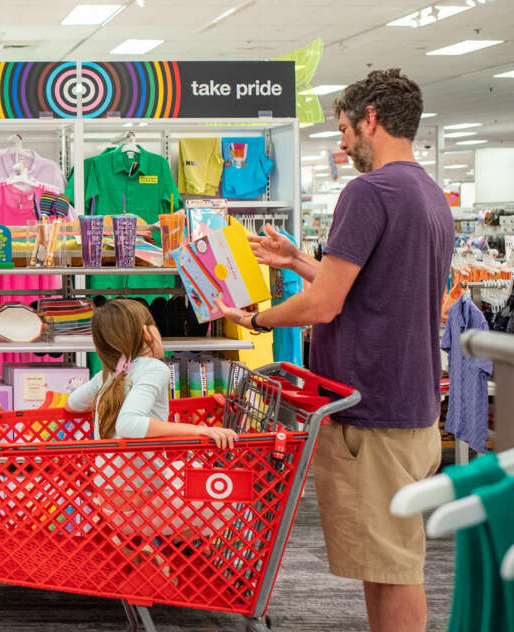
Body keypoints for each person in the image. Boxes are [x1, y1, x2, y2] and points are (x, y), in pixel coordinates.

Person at [217, 68, 452, 632]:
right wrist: (298, 262)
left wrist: (258, 317)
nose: (342, 145)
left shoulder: (368, 192)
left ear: (371, 121)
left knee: (393, 567)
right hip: (409, 406)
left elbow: (323, 306)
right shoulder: (429, 195)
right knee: (388, 561)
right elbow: (364, 292)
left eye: (345, 129)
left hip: (371, 415)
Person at [67, 299, 237, 448]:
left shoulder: (110, 373)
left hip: (104, 479)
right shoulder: (154, 368)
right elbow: (128, 424)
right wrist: (201, 430)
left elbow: (72, 404)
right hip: (146, 481)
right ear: (146, 332)